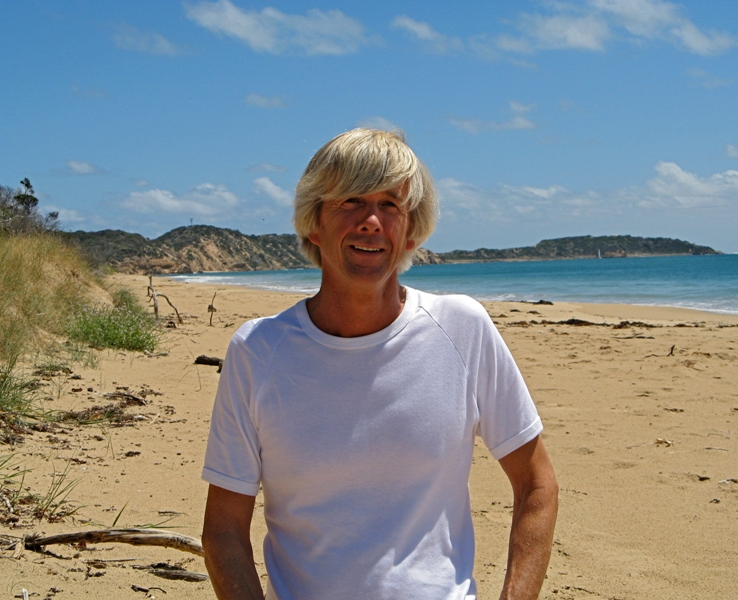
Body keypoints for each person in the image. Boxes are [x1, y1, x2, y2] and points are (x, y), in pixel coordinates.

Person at [201, 128, 558, 600]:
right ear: (314, 223)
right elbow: (223, 530)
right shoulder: (258, 351)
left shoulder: (461, 329)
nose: (371, 220)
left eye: (391, 204)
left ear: (411, 231)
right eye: (350, 200)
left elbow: (537, 485)